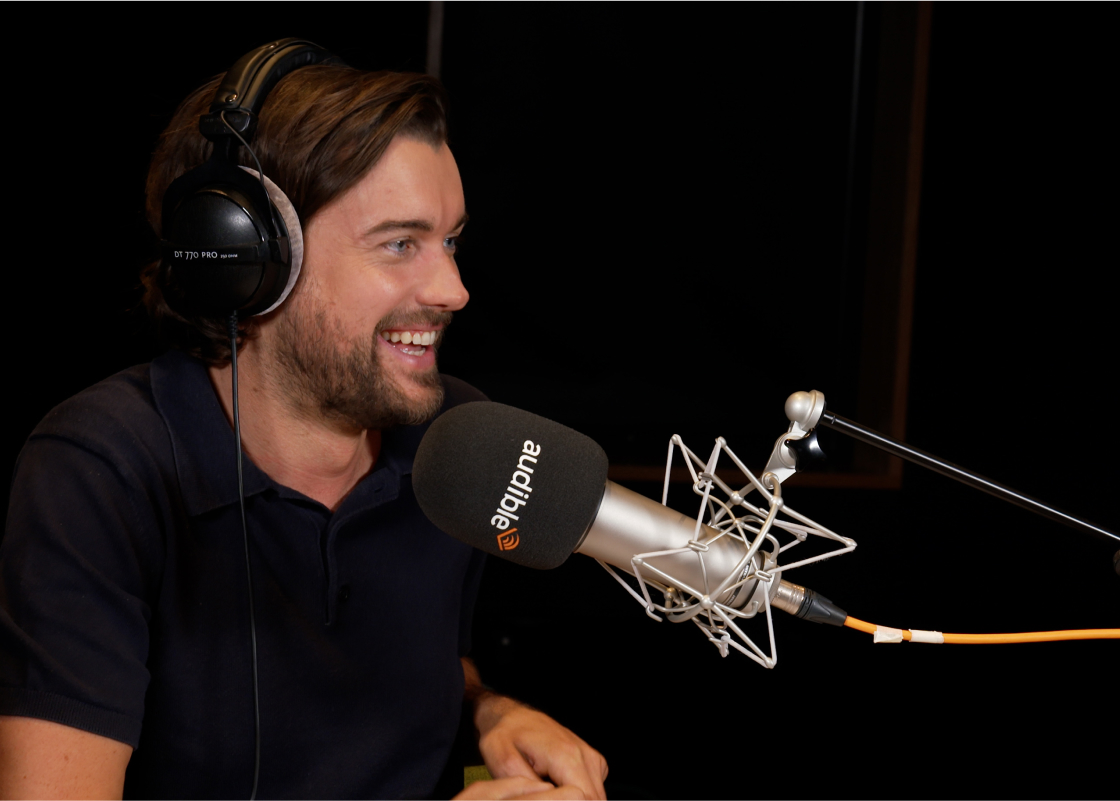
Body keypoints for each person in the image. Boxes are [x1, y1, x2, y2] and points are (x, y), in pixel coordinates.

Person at [0, 50, 607, 800]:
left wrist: (491, 709)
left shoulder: (456, 440)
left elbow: (414, 663)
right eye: (399, 244)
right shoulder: (101, 468)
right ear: (247, 260)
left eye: (449, 240)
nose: (453, 289)